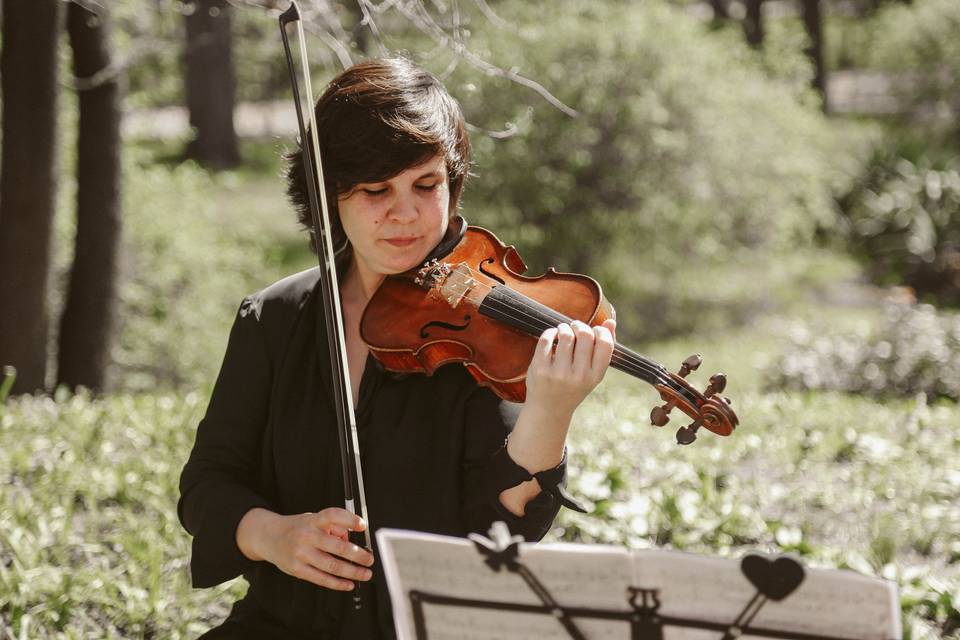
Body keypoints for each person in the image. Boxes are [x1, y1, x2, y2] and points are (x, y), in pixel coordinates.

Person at [177, 57, 616, 639]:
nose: (405, 214)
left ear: (452, 183)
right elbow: (207, 483)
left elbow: (499, 535)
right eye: (375, 190)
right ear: (329, 195)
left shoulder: (481, 334)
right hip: (280, 625)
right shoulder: (274, 319)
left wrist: (551, 411)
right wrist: (271, 536)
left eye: (426, 185)